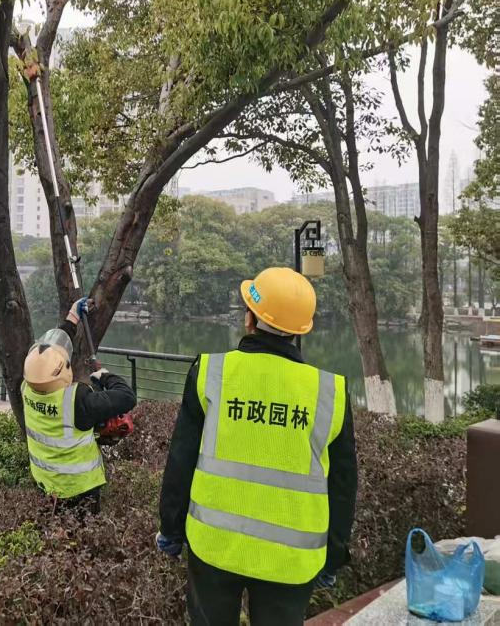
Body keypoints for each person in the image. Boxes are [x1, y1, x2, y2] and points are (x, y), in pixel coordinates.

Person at [156, 267, 357, 625]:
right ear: (300, 330)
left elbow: (181, 459)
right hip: (292, 559)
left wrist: (171, 529)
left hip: (214, 546)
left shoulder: (211, 373)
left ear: (249, 317)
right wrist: (334, 555)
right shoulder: (329, 391)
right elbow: (343, 484)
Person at [22, 297, 137, 515]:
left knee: (55, 531)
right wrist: (105, 376)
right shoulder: (77, 401)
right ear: (63, 372)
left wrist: (72, 317)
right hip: (80, 488)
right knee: (83, 533)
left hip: (45, 481)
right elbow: (127, 397)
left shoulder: (27, 388)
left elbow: (50, 354)